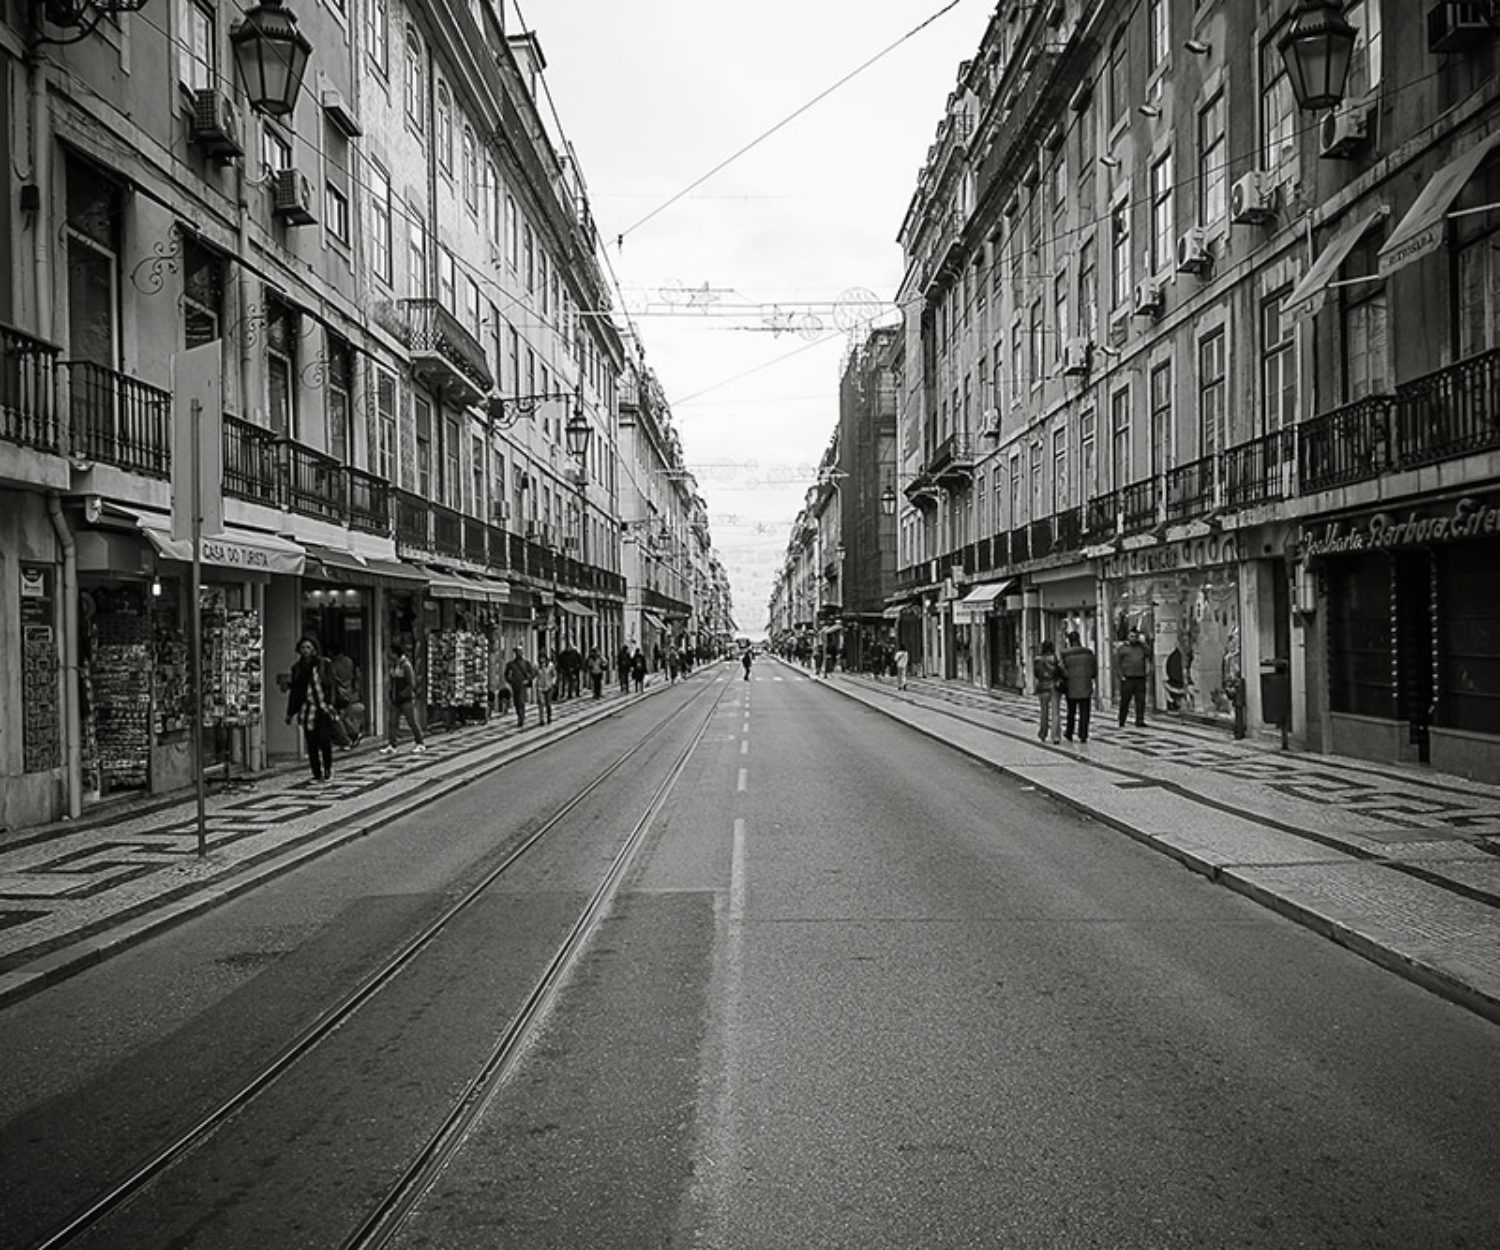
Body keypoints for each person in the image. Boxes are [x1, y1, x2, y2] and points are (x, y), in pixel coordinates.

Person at [286, 636, 336, 783]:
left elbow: (331, 685)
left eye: (308, 647)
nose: (305, 651)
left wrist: (331, 704)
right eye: (303, 648)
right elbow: (295, 691)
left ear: (314, 649)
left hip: (323, 707)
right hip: (306, 709)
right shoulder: (297, 668)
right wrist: (290, 712)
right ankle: (316, 773)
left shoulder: (324, 664)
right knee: (312, 743)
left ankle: (327, 768)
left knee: (324, 740)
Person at [382, 642, 426, 753]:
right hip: (395, 699)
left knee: (411, 721)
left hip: (405, 699)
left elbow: (412, 683)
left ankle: (420, 742)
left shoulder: (406, 665)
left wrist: (404, 694)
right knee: (392, 722)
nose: (389, 655)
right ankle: (392, 744)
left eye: (390, 653)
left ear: (395, 653)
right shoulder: (394, 665)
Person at [1060, 630, 1098, 744]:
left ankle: (1070, 732)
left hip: (1071, 687)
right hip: (1085, 686)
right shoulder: (1088, 653)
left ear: (1070, 641)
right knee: (1085, 711)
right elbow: (1094, 671)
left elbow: (1062, 671)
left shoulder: (1065, 654)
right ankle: (1083, 734)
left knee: (1071, 711)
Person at [1116, 626, 1150, 728]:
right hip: (1127, 678)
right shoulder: (1123, 649)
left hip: (1140, 677)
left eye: (1135, 636)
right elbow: (1117, 663)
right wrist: (1121, 676)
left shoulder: (1141, 648)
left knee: (1140, 700)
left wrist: (1143, 643)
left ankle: (1140, 720)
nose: (1133, 638)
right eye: (1131, 636)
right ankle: (1122, 719)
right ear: (1128, 637)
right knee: (1125, 701)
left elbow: (1149, 653)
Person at [1032, 639, 1063, 745]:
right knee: (1055, 713)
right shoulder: (1054, 658)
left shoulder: (1037, 659)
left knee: (1044, 712)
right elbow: (1059, 671)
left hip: (1042, 687)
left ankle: (1043, 733)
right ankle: (1055, 736)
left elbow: (1036, 674)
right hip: (1053, 686)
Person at [503, 646, 535, 728]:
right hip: (515, 685)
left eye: (520, 652)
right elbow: (506, 674)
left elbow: (532, 673)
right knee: (517, 702)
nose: (519, 654)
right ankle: (519, 716)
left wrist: (527, 680)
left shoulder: (526, 663)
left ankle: (521, 718)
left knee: (521, 701)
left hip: (523, 685)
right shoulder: (511, 664)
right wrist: (510, 681)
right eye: (517, 652)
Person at [534, 649, 556, 725]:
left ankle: (549, 717)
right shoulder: (537, 666)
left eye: (543, 657)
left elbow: (554, 675)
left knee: (548, 703)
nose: (542, 659)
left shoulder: (550, 665)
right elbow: (534, 675)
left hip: (549, 686)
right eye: (540, 658)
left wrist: (553, 682)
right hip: (540, 687)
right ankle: (541, 720)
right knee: (541, 703)